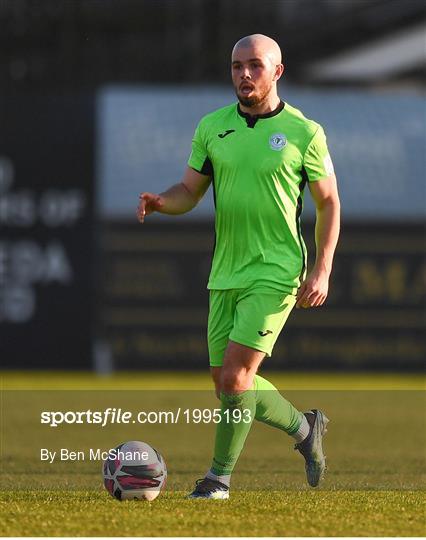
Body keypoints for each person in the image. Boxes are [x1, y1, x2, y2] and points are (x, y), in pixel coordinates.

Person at [137, 34, 340, 499]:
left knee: (235, 378)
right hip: (226, 271)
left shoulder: (305, 133)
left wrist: (322, 267)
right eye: (236, 67)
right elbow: (190, 191)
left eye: (255, 66)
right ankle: (305, 429)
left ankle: (217, 480)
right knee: (228, 386)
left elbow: (329, 203)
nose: (244, 75)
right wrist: (163, 201)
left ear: (278, 72)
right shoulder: (212, 127)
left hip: (277, 269)